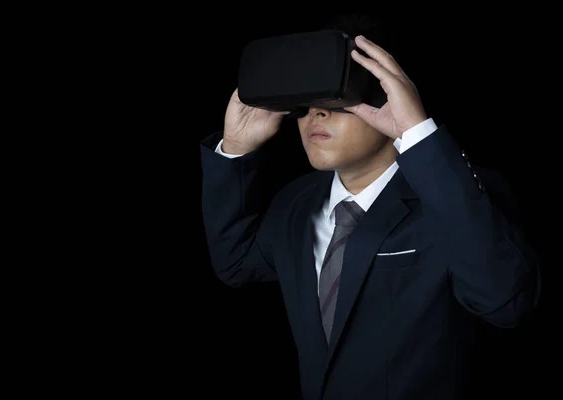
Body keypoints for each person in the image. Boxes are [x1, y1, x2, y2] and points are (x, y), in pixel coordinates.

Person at [199, 20, 541, 400]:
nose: (317, 114)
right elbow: (235, 263)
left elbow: (505, 303)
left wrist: (416, 133)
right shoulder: (296, 204)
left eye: (335, 99)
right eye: (306, 103)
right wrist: (234, 148)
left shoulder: (456, 195)